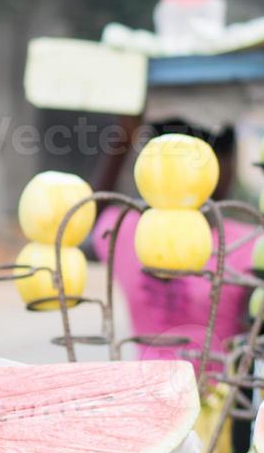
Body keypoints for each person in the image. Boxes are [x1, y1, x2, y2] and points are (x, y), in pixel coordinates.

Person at [88, 122, 255, 373]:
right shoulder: (247, 244)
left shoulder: (123, 230)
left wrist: (125, 128)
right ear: (222, 167)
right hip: (221, 398)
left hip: (145, 389)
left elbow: (88, 216)